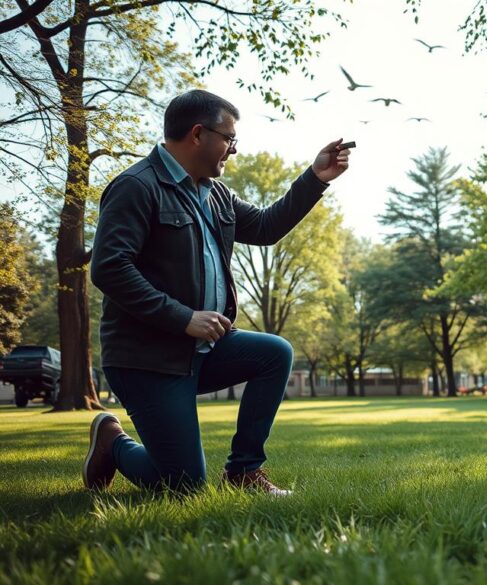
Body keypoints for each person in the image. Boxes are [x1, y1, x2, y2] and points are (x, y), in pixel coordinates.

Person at [85, 89, 351, 495]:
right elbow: (109, 268)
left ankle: (244, 471)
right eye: (229, 139)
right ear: (197, 134)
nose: (233, 150)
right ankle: (113, 442)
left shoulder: (215, 194)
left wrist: (314, 178)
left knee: (274, 353)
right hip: (147, 358)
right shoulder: (136, 187)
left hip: (202, 352)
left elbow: (264, 227)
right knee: (183, 485)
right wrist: (184, 317)